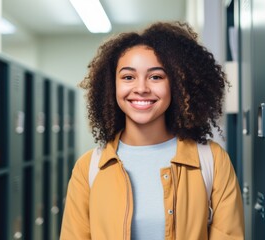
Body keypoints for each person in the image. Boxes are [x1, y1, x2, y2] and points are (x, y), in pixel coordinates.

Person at [60, 21, 244, 240]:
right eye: (128, 77)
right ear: (112, 86)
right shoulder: (88, 169)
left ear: (176, 84)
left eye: (156, 77)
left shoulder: (213, 161)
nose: (141, 88)